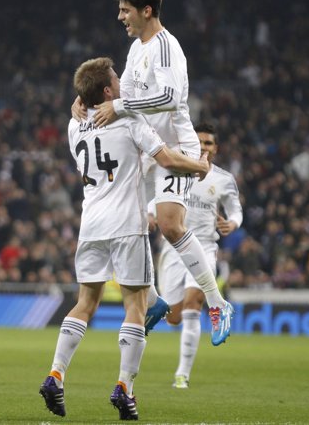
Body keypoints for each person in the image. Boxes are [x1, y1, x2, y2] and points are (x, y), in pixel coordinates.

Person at [39, 57, 209, 421]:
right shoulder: (130, 120)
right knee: (136, 307)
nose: (121, 82)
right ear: (107, 90)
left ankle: (55, 374)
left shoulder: (74, 125)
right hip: (127, 225)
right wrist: (201, 166)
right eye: (116, 78)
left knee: (84, 303)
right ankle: (124, 387)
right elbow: (167, 159)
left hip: (90, 225)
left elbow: (81, 114)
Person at [74, 0, 233, 343]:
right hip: (145, 150)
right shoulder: (135, 50)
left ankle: (217, 302)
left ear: (147, 11)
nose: (120, 17)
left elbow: (168, 96)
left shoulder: (166, 47)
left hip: (175, 147)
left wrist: (119, 106)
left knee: (170, 225)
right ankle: (157, 301)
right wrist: (86, 100)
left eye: (125, 10)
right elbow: (120, 94)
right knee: (120, 224)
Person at [152, 123, 243, 389]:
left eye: (208, 143)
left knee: (194, 303)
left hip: (204, 247)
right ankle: (181, 323)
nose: (203, 147)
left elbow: (235, 210)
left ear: (216, 148)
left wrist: (233, 223)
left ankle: (182, 374)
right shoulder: (177, 167)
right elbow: (156, 194)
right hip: (171, 249)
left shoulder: (224, 179)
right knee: (173, 316)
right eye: (200, 142)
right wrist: (149, 212)